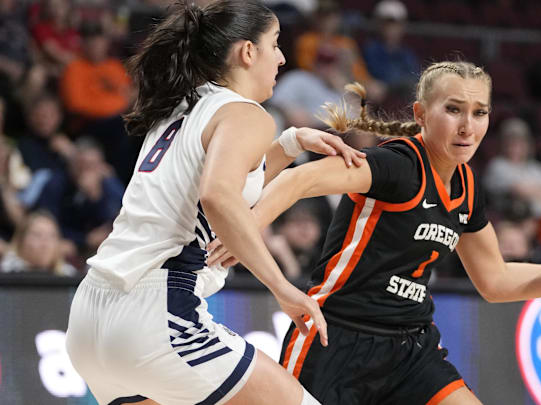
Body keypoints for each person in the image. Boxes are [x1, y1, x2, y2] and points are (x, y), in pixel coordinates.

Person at [65, 1, 365, 404]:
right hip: (157, 313)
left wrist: (291, 143)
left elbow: (232, 179)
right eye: (275, 44)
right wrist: (281, 286)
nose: (281, 57)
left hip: (91, 316)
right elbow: (219, 194)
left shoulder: (181, 107)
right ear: (247, 52)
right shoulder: (247, 115)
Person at [211, 61, 541, 404]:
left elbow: (494, 279)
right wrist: (245, 228)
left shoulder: (468, 187)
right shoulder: (398, 165)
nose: (468, 126)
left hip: (411, 347)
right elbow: (302, 178)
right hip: (338, 338)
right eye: (454, 110)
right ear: (421, 114)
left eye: (479, 112)